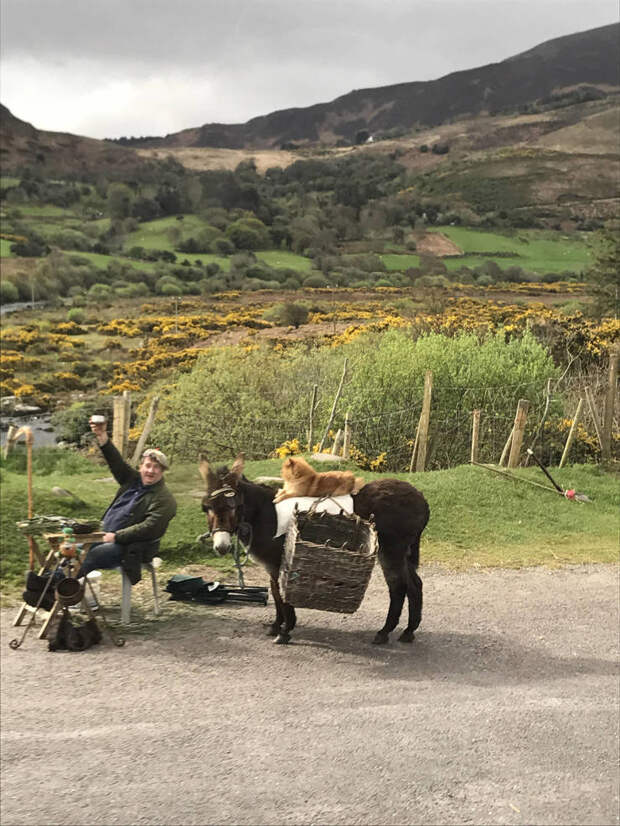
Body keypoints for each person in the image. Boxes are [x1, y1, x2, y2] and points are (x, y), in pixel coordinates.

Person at [77, 419, 177, 585]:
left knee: (93, 554)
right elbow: (116, 462)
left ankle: (58, 590)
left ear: (163, 471)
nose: (151, 470)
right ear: (141, 467)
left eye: (156, 467)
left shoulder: (165, 499)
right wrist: (102, 435)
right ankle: (49, 584)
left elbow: (148, 528)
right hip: (104, 535)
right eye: (148, 465)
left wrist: (116, 536)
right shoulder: (132, 480)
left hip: (131, 547)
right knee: (73, 548)